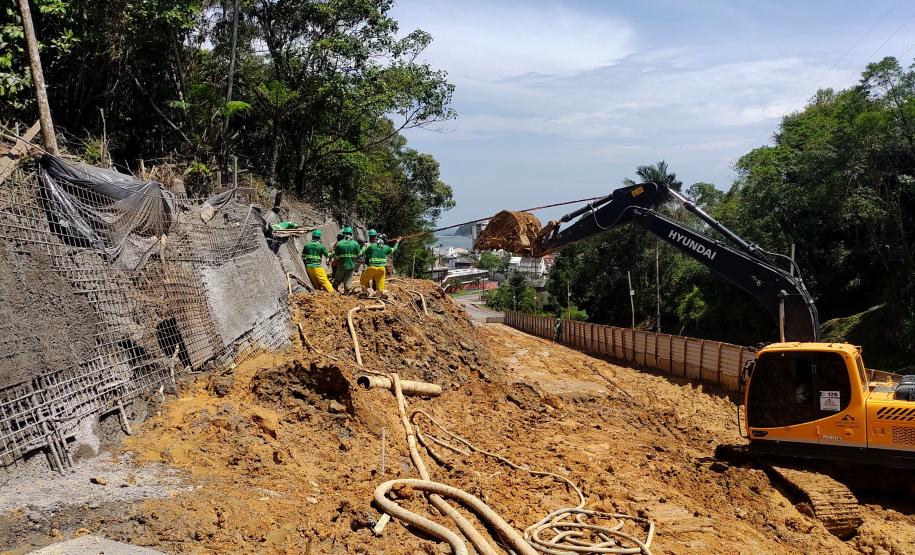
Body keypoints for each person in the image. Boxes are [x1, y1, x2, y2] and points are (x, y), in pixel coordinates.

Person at [359, 229, 398, 295]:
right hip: (382, 269)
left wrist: (362, 247)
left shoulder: (370, 246)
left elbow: (364, 253)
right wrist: (397, 242)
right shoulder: (385, 247)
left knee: (363, 279)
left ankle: (367, 293)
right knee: (380, 285)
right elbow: (394, 249)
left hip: (372, 267)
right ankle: (379, 294)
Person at [332, 226, 361, 293]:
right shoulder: (355, 243)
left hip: (341, 265)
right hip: (351, 266)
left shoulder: (339, 243)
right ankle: (346, 292)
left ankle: (334, 291)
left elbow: (336, 257)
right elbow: (359, 254)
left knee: (337, 278)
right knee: (348, 280)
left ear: (344, 234)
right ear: (351, 234)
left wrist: (334, 264)